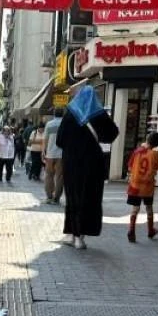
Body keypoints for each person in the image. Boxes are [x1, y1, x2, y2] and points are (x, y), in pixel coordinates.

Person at [56, 87, 118, 249]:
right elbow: (112, 134)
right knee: (88, 197)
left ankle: (71, 233)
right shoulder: (98, 114)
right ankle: (80, 237)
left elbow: (59, 140)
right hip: (92, 163)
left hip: (71, 162)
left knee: (72, 197)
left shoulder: (70, 113)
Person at [126, 132, 158, 243]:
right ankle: (150, 230)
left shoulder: (137, 151)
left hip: (135, 185)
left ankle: (131, 230)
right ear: (157, 144)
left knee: (135, 209)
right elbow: (157, 167)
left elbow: (129, 167)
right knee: (149, 208)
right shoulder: (155, 154)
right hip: (148, 186)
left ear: (147, 140)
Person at [43, 109, 64, 204]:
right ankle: (57, 198)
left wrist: (43, 151)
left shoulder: (49, 124)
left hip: (50, 154)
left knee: (49, 175)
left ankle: (49, 196)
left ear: (54, 114)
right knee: (60, 176)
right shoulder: (65, 124)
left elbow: (45, 139)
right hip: (61, 155)